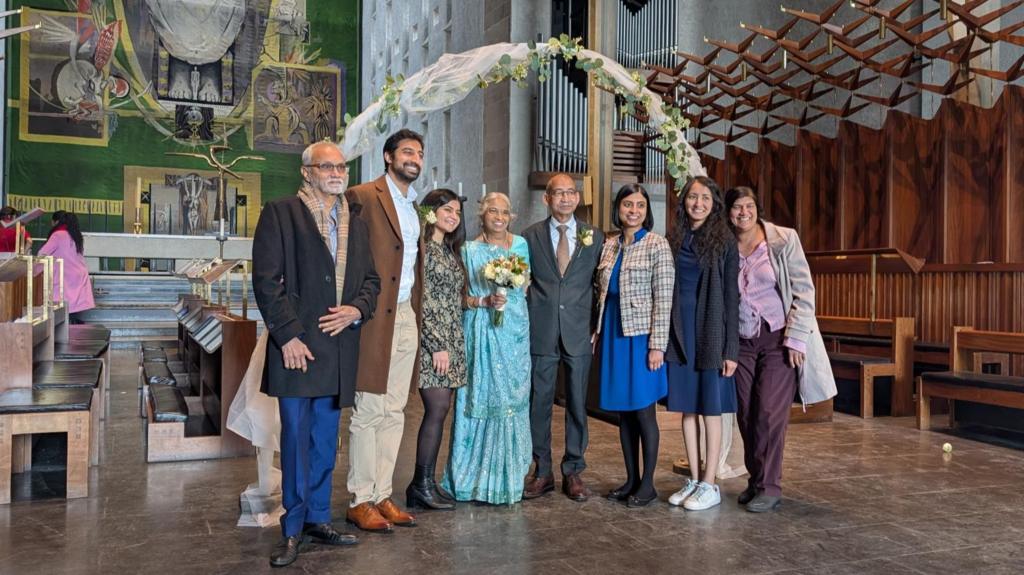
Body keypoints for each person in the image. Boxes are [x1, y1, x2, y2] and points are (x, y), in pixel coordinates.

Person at [252, 141, 380, 567]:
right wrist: (286, 336)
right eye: (327, 166)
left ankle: (318, 520)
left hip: (339, 347)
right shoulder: (281, 212)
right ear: (306, 171)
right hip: (298, 348)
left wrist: (357, 309)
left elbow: (372, 281)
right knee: (295, 441)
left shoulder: (355, 221)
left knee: (326, 441)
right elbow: (267, 281)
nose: (336, 172)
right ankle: (291, 528)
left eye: (341, 166)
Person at [725, 186, 835, 513]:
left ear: (757, 208)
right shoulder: (725, 245)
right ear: (728, 212)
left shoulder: (783, 239)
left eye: (749, 206)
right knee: (746, 414)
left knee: (770, 413)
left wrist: (796, 338)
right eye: (736, 208)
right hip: (741, 342)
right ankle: (756, 479)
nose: (743, 212)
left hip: (777, 340)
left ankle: (770, 486)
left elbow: (803, 291)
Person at [344, 129, 424, 532]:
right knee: (370, 409)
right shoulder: (362, 195)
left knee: (396, 409)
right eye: (407, 151)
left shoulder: (414, 206)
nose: (415, 158)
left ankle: (381, 493)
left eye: (419, 153)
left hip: (407, 313)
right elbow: (347, 254)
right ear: (389, 157)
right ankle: (359, 498)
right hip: (374, 314)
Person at [442, 192, 532, 505]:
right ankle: (471, 479)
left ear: (511, 217)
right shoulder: (468, 250)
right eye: (492, 210)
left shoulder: (520, 245)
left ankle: (507, 479)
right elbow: (461, 297)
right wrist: (484, 301)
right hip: (480, 329)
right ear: (482, 214)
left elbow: (525, 286)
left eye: (504, 212)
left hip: (514, 334)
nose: (498, 217)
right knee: (478, 397)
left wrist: (508, 289)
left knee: (510, 399)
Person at [522, 173, 604, 501]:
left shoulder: (594, 237)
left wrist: (596, 326)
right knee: (538, 403)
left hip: (578, 331)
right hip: (540, 331)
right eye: (559, 193)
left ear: (578, 197)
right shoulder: (529, 237)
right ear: (547, 198)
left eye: (571, 193)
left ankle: (574, 470)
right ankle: (542, 470)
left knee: (577, 404)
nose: (566, 199)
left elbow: (602, 284)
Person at [594, 184, 673, 507]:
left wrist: (658, 346)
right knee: (624, 414)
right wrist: (596, 330)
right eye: (628, 204)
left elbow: (663, 298)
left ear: (646, 211)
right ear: (619, 208)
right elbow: (600, 293)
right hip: (613, 332)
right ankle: (631, 478)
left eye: (640, 205)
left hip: (641, 338)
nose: (634, 211)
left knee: (643, 412)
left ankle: (649, 483)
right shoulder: (609, 245)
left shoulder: (657, 245)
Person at [665, 176, 739, 511]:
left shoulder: (724, 240)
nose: (698, 203)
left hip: (710, 333)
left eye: (705, 198)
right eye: (693, 197)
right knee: (687, 408)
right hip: (681, 332)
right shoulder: (676, 236)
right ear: (684, 202)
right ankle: (694, 479)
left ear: (714, 203)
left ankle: (711, 483)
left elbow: (731, 299)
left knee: (710, 409)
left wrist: (730, 349)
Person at [405, 189, 467, 511]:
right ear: (432, 211)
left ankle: (427, 482)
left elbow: (454, 298)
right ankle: (419, 485)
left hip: (453, 339)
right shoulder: (424, 250)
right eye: (447, 209)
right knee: (436, 409)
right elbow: (424, 299)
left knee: (441, 412)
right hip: (436, 342)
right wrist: (436, 345)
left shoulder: (449, 251)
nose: (453, 215)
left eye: (457, 211)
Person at [38, 211, 95, 323]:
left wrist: (35, 270)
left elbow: (42, 253)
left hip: (64, 275)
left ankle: (65, 332)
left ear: (56, 222)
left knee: (62, 309)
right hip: (78, 274)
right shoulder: (76, 235)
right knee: (72, 309)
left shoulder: (58, 235)